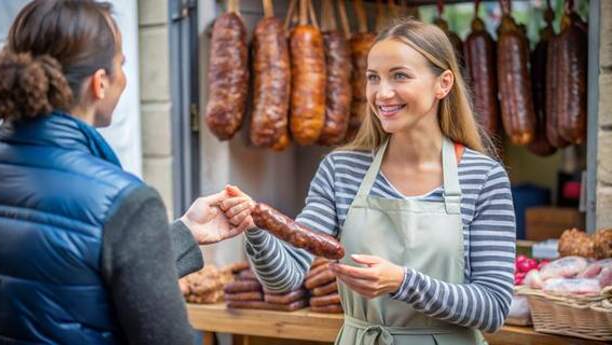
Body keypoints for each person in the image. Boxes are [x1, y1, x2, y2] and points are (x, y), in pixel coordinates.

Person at [221, 19, 516, 345]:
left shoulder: (484, 177)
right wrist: (255, 227)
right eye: (373, 78)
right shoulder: (341, 170)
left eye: (399, 76)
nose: (382, 93)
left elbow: (493, 308)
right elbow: (286, 278)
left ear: (443, 84)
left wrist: (401, 282)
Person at [0, 1, 250, 344]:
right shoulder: (123, 200)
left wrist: (184, 232)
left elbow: (73, 282)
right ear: (99, 83)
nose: (124, 78)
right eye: (121, 65)